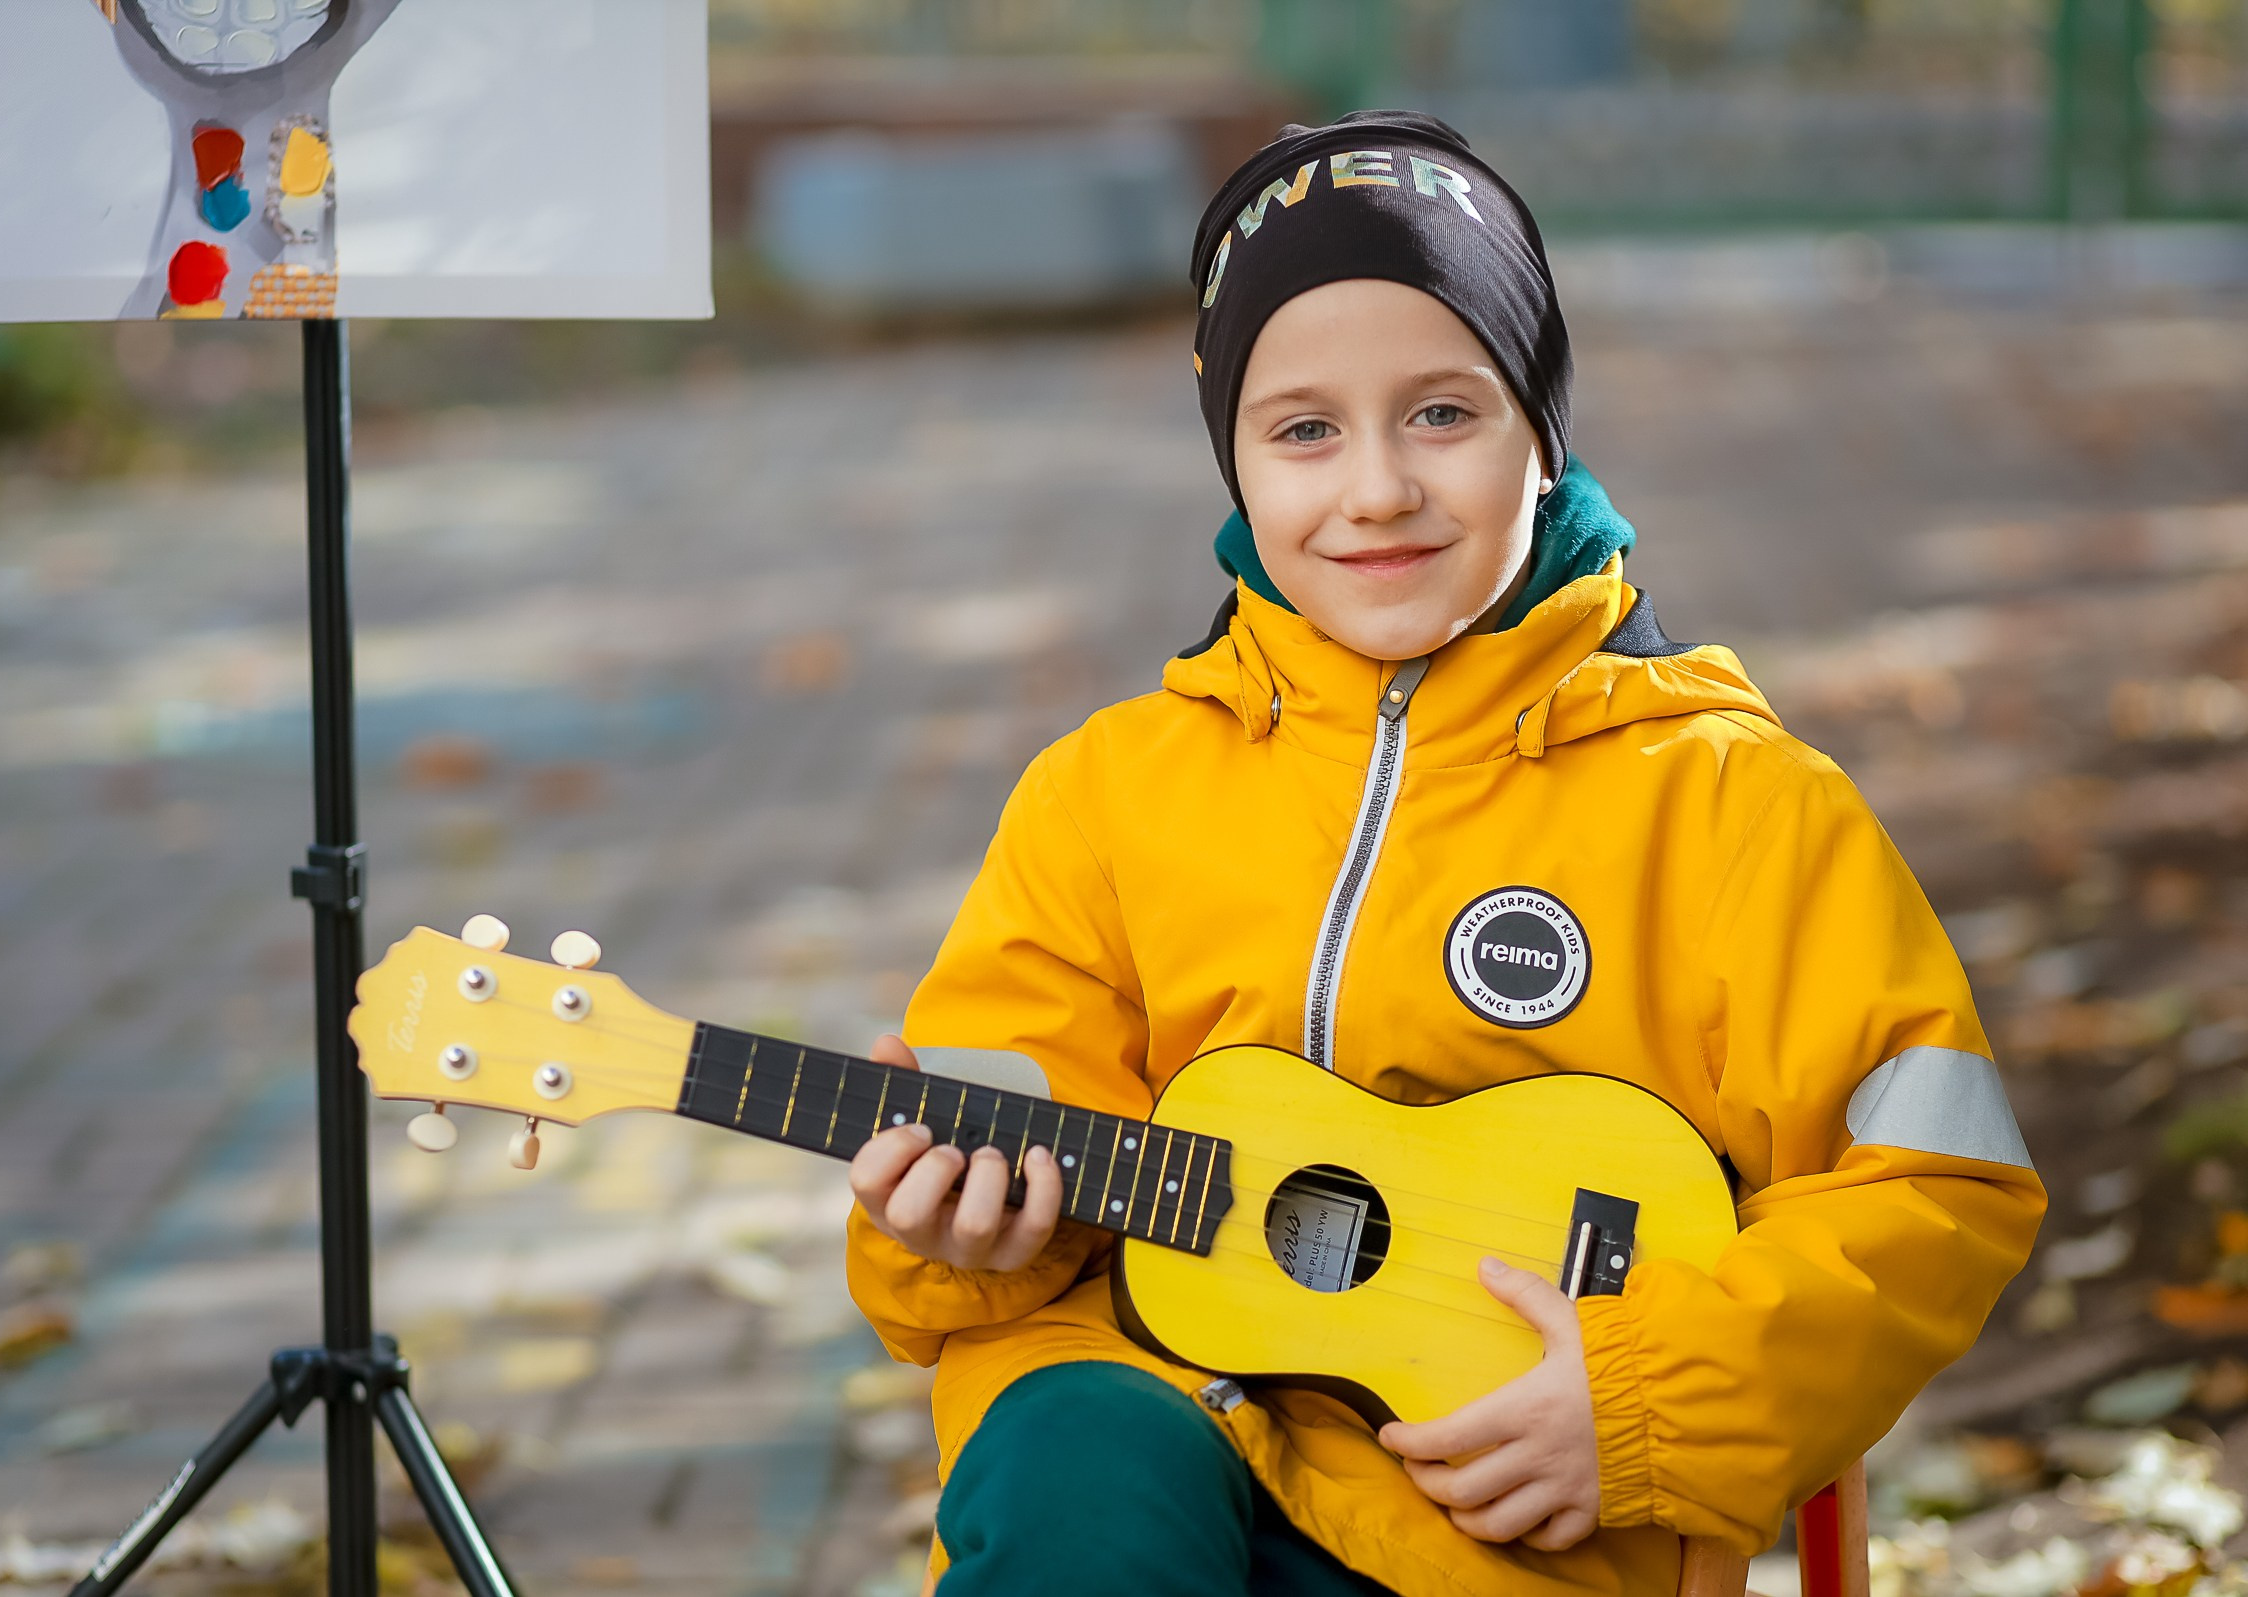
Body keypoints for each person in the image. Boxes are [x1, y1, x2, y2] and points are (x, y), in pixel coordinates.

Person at [841, 112, 2045, 1597]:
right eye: (1302, 430)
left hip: (1502, 1497)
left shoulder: (1737, 804)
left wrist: (1651, 1399)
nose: (1376, 489)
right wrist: (949, 1227)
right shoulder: (1104, 792)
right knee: (1063, 1455)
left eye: (1442, 413)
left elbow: (1936, 1178)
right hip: (1155, 1417)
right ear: (1233, 461)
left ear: (1542, 427)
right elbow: (1019, 1107)